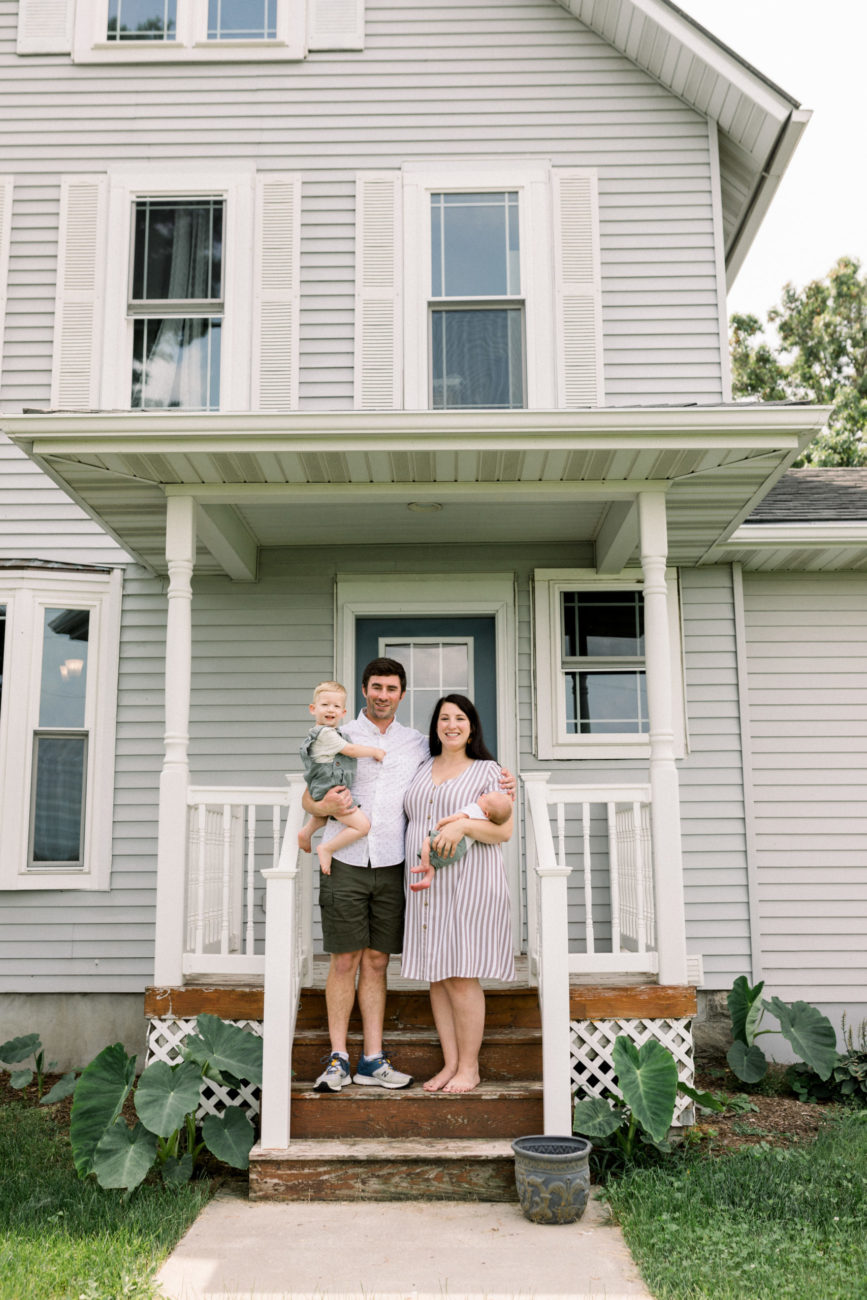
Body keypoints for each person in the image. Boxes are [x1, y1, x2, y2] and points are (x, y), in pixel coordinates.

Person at [301, 657, 515, 1096]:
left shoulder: (417, 745)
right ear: (365, 690)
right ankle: (339, 1058)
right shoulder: (342, 733)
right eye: (376, 687)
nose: (383, 695)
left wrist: (502, 792)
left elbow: (485, 803)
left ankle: (374, 1059)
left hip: (396, 867)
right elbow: (310, 793)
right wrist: (323, 810)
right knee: (345, 961)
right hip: (347, 861)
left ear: (402, 694)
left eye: (392, 688)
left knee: (378, 962)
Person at [401, 694, 515, 1094]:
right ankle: (450, 1064)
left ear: (472, 727)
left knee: (461, 973)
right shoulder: (419, 767)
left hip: (469, 880)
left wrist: (462, 827)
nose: (452, 724)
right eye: (444, 718)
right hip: (423, 881)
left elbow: (503, 831)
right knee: (437, 974)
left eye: (460, 718)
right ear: (436, 725)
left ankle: (470, 1068)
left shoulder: (489, 772)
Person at [297, 680, 386, 875]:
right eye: (325, 705)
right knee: (362, 826)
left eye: (336, 706)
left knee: (321, 818)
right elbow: (351, 750)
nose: (331, 709)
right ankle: (327, 848)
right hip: (331, 791)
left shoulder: (329, 733)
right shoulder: (326, 735)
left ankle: (305, 832)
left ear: (343, 712)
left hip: (323, 789)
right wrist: (374, 751)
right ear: (313, 709)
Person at [409, 788, 513, 891]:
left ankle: (424, 864)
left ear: (486, 813)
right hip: (459, 850)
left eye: (485, 798)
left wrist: (442, 823)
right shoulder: (488, 819)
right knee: (435, 863)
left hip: (454, 842)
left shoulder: (476, 809)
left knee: (427, 841)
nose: (483, 795)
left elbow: (457, 817)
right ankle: (427, 878)